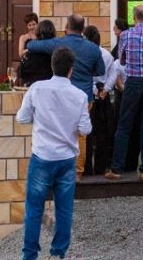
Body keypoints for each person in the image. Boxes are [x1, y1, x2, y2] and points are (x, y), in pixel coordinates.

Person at [17, 46, 92, 260]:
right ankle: (59, 252)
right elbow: (85, 129)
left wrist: (39, 120)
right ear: (71, 70)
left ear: (52, 66)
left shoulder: (37, 89)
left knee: (33, 208)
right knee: (64, 209)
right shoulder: (79, 95)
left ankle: (30, 255)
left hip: (42, 155)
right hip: (67, 158)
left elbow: (21, 118)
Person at [24, 14, 106, 180]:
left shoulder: (59, 43)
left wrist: (27, 41)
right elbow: (100, 71)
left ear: (66, 28)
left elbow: (33, 46)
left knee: (60, 130)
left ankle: (61, 170)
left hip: (61, 95)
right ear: (83, 29)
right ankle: (77, 172)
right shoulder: (93, 48)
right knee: (81, 136)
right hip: (84, 95)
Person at [106, 5, 143, 181]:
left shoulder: (126, 35)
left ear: (134, 17)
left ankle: (117, 169)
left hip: (134, 82)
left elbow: (122, 59)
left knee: (124, 125)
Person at [82, 25, 118, 176]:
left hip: (89, 95)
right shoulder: (107, 54)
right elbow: (113, 73)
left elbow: (84, 76)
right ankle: (101, 166)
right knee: (103, 132)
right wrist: (106, 89)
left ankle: (87, 168)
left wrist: (96, 91)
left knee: (88, 132)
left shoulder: (85, 55)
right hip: (103, 95)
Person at [20, 20, 57, 86]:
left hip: (32, 87)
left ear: (38, 32)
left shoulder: (30, 51)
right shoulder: (56, 52)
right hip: (50, 87)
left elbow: (22, 73)